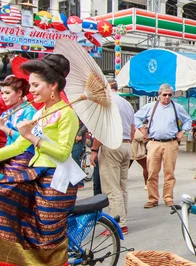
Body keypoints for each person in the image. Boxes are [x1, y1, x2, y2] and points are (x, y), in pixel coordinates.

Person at [0, 54, 80, 265]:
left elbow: (63, 153)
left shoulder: (66, 114)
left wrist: (33, 137)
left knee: (46, 240)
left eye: (35, 85)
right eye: (30, 85)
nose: (31, 90)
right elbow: (19, 146)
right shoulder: (41, 113)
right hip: (36, 173)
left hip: (56, 179)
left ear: (53, 85)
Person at [134, 84, 191, 208]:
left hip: (170, 143)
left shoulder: (177, 107)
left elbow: (188, 120)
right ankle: (152, 198)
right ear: (159, 95)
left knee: (169, 172)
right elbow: (136, 117)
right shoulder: (150, 107)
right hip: (154, 143)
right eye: (164, 95)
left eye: (169, 95)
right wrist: (142, 130)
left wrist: (183, 132)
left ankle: (168, 197)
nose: (167, 97)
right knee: (152, 172)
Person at [90, 80, 135, 234]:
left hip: (112, 145)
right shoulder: (127, 103)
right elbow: (133, 128)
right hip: (126, 144)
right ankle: (123, 220)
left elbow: (101, 129)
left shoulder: (106, 102)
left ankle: (118, 224)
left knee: (111, 188)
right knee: (122, 187)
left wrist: (94, 149)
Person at [0, 76, 37, 147]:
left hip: (25, 152)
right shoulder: (8, 112)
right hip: (9, 149)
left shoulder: (29, 111)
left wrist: (3, 128)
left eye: (7, 93)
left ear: (19, 93)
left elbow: (28, 138)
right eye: (2, 93)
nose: (3, 97)